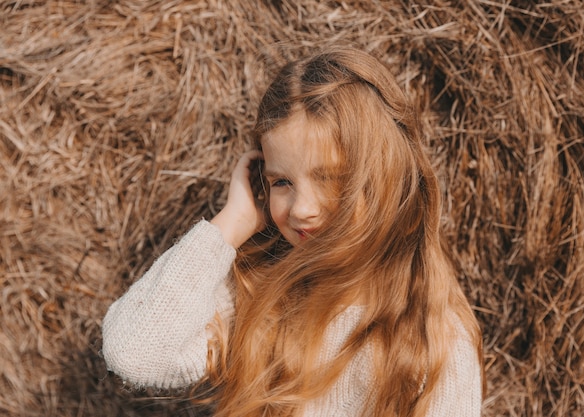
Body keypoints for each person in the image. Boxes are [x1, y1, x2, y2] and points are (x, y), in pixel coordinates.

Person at [102, 46, 484, 416]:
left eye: (330, 178)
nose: (302, 209)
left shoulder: (434, 341)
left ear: (386, 179)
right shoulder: (256, 295)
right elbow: (134, 353)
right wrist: (230, 224)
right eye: (282, 182)